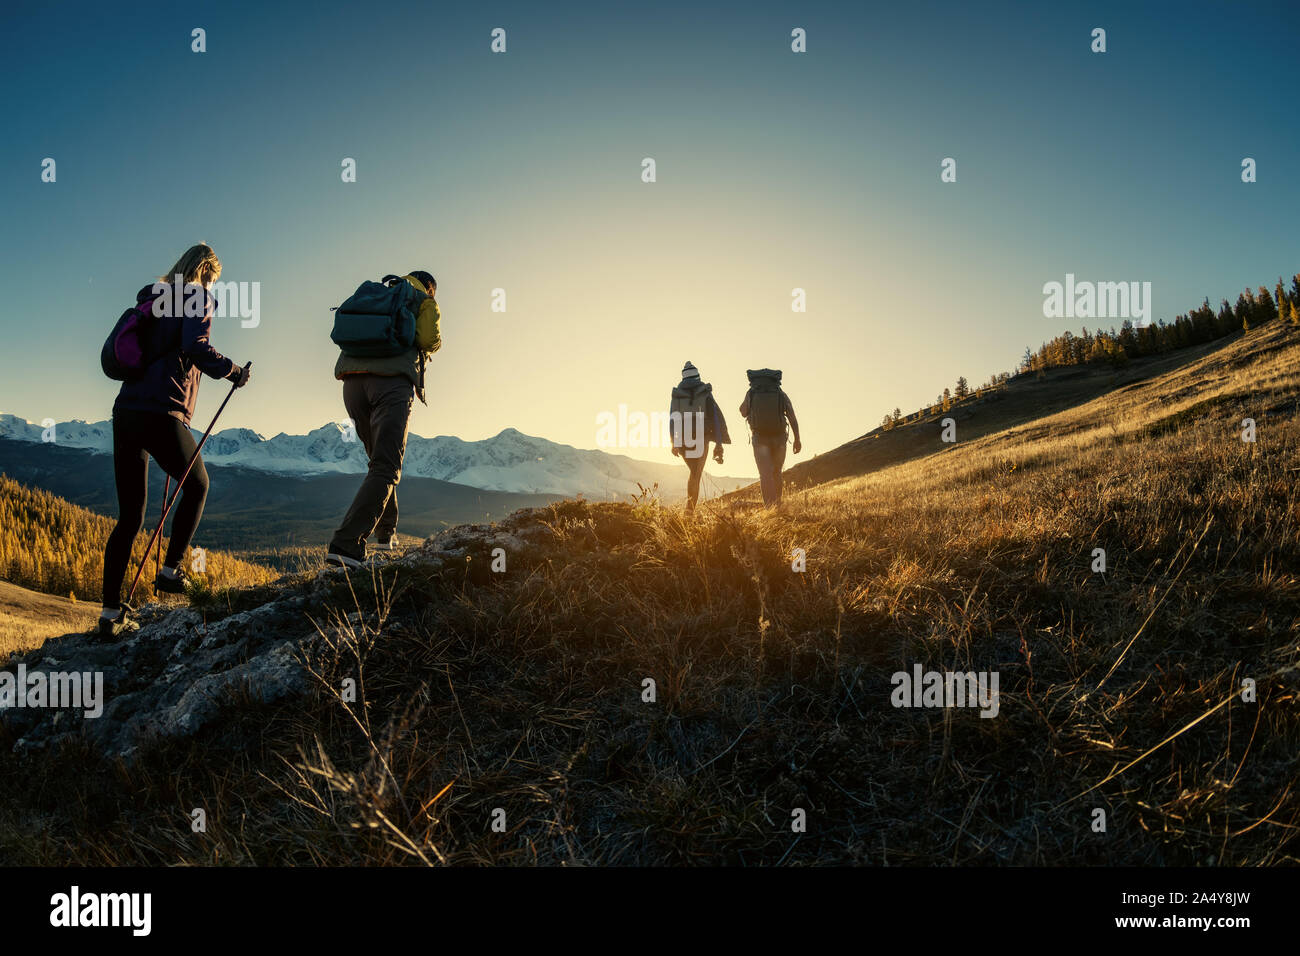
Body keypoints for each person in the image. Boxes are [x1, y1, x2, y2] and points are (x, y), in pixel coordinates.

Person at [99, 243, 251, 639]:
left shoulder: (154, 298)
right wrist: (232, 370)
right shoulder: (197, 296)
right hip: (162, 409)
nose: (214, 285)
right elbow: (195, 347)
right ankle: (170, 572)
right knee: (198, 485)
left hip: (127, 410)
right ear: (205, 271)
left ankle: (110, 613)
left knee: (129, 517)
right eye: (214, 278)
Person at [326, 271, 441, 567]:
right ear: (430, 288)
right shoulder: (424, 301)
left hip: (352, 385)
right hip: (390, 384)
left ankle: (385, 532)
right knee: (386, 466)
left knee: (378, 462)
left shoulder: (377, 293)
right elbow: (429, 339)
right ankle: (347, 545)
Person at [668, 361, 730, 512]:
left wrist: (674, 442)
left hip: (683, 439)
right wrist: (719, 442)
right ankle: (689, 511)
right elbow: (715, 416)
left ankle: (689, 510)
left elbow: (673, 417)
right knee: (696, 473)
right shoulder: (705, 392)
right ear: (697, 376)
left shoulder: (677, 394)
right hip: (702, 437)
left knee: (693, 472)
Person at [739, 368, 801, 507]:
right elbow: (792, 416)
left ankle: (769, 507)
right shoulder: (780, 393)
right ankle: (777, 504)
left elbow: (743, 412)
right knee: (776, 472)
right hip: (779, 438)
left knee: (765, 474)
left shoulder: (752, 393)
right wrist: (797, 439)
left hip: (760, 438)